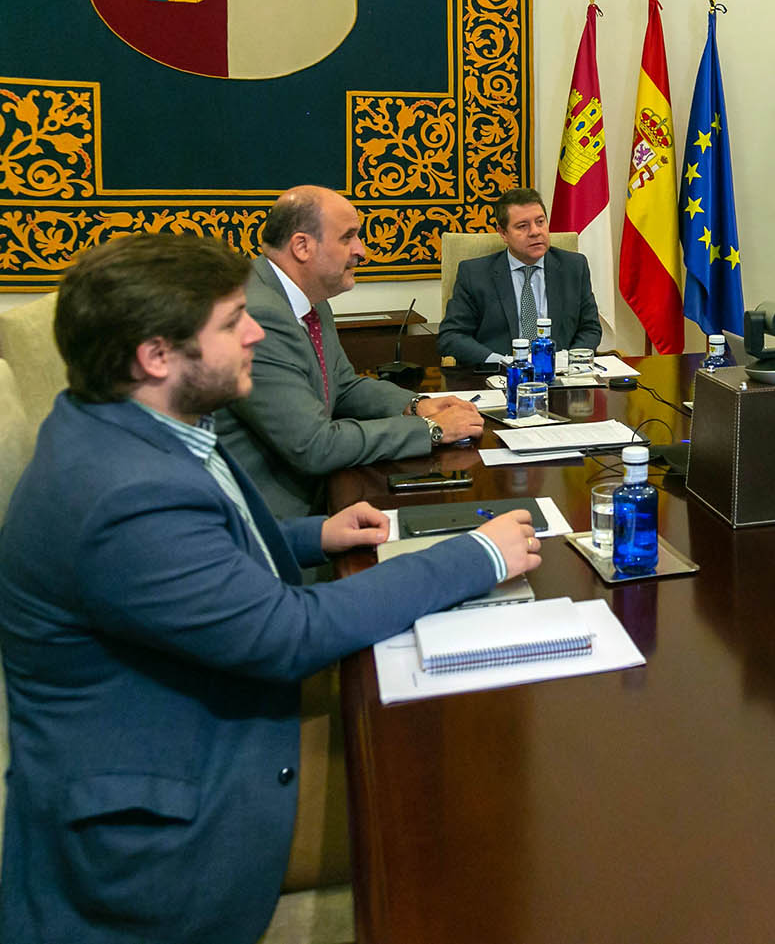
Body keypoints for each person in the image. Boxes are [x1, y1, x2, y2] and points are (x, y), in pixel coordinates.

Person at [0, 234, 541, 944]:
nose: (257, 328)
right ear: (156, 355)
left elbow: (196, 552)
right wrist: (475, 554)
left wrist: (314, 535)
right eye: (231, 322)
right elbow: (289, 633)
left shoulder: (131, 426)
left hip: (183, 724)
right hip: (164, 828)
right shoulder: (123, 492)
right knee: (472, 795)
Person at [215, 185, 484, 519]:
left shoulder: (311, 301)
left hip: (323, 494)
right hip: (275, 523)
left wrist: (416, 404)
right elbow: (314, 444)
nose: (363, 251)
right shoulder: (259, 315)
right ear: (302, 246)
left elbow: (341, 386)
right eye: (348, 237)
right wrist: (431, 429)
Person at [437, 187, 602, 365]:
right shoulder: (474, 274)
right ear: (503, 233)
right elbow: (451, 336)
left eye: (540, 222)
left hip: (560, 375)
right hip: (500, 379)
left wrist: (569, 359)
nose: (535, 232)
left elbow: (590, 328)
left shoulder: (574, 267)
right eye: (522, 226)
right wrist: (500, 362)